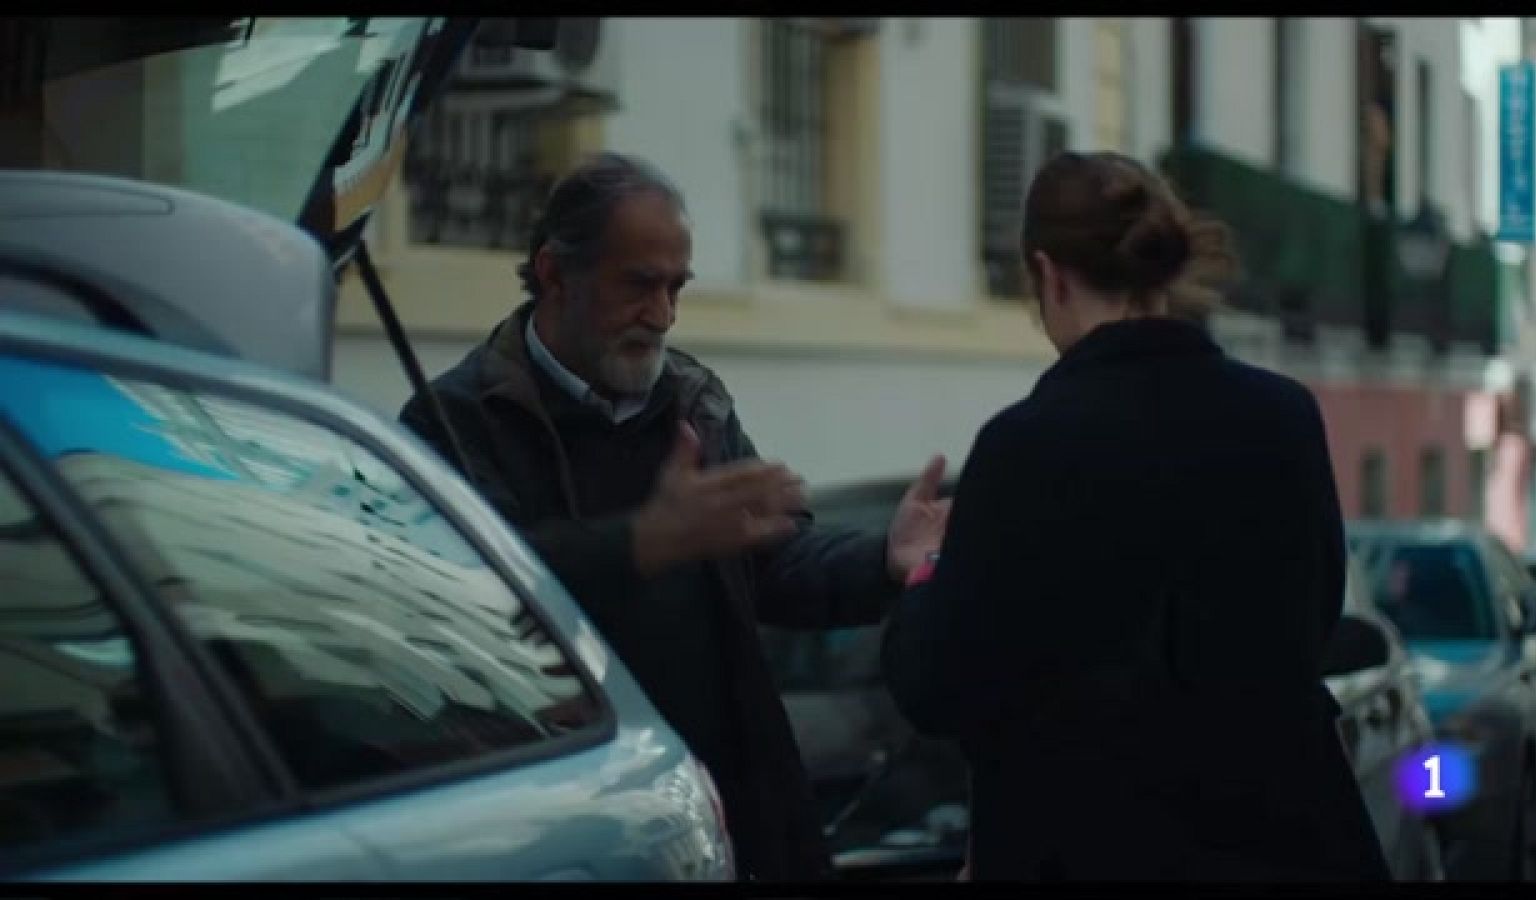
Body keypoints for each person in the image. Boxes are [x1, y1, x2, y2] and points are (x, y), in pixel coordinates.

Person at [398, 152, 950, 881]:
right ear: (556, 273)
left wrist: (882, 558)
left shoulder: (691, 399)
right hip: (574, 827)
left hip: (733, 808)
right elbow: (461, 608)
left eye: (675, 287)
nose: (661, 314)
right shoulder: (457, 420)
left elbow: (773, 561)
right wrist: (639, 544)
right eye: (638, 285)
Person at [879, 151, 1391, 881]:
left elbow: (941, 685)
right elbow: (1313, 618)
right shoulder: (1284, 417)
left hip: (1085, 847)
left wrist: (924, 567)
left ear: (1048, 274)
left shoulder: (1025, 445)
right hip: (1287, 845)